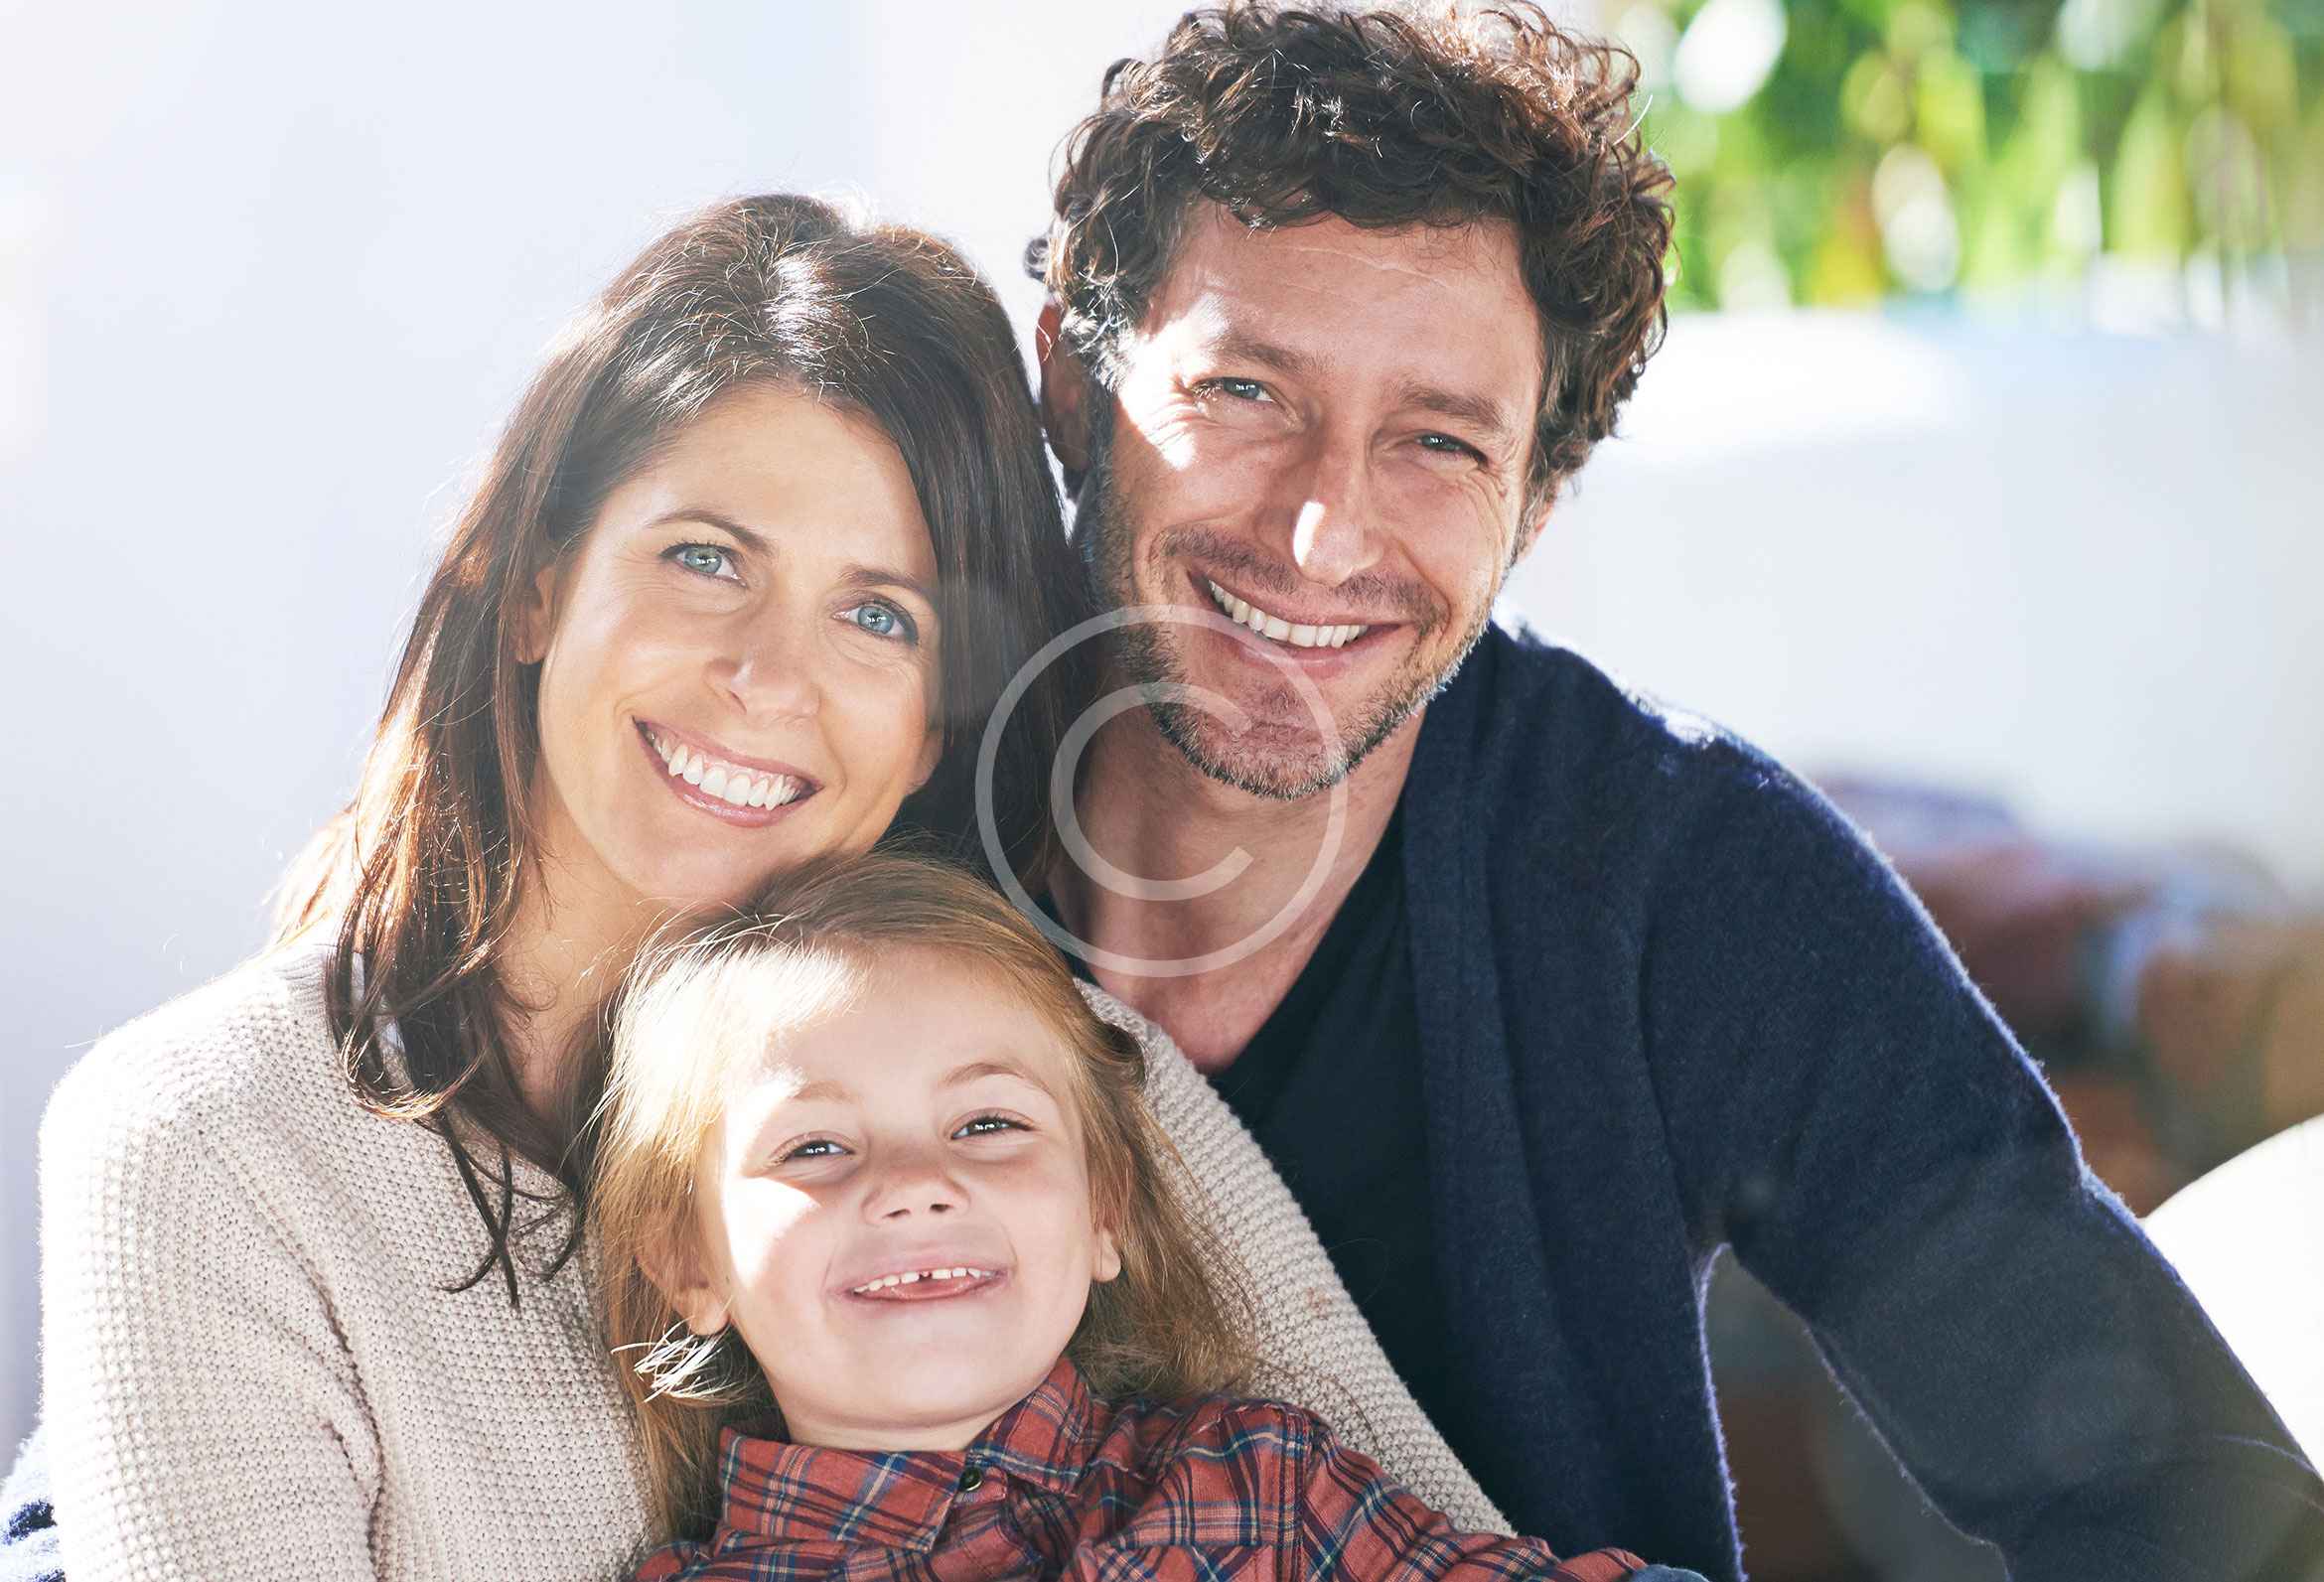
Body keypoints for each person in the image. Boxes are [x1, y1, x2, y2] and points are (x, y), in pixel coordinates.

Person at [3, 190, 1501, 1580]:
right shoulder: (216, 1145)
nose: (771, 680)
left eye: (878, 615)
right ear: (533, 583)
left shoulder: (1052, 1076)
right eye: (707, 560)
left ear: (934, 727)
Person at [1020, 5, 2324, 1579]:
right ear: (1072, 383)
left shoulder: (1676, 878)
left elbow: (2199, 1507)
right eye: (1243, 392)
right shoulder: (878, 793)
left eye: (1439, 442)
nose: (1322, 534)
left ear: (1538, 504)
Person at [589, 850, 1703, 1581]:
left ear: (1104, 1211)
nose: (918, 1181)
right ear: (689, 1258)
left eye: (989, 1123)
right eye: (815, 1147)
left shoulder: (1256, 1483)